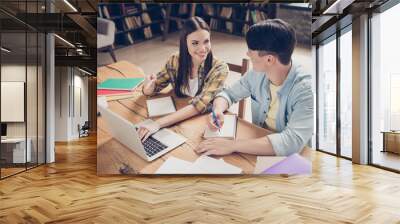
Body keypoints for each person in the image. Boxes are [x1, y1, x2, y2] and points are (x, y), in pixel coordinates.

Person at [195, 19, 313, 157]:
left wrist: (232, 145)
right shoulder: (257, 74)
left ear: (269, 60)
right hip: (258, 144)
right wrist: (217, 110)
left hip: (292, 158)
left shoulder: (306, 91)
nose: (247, 54)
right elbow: (228, 94)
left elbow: (291, 142)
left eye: (251, 50)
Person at [138, 16, 229, 141]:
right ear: (184, 43)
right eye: (195, 43)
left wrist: (157, 124)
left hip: (204, 123)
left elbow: (198, 105)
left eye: (206, 41)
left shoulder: (220, 68)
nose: (203, 49)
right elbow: (156, 86)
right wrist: (147, 88)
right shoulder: (175, 60)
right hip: (178, 115)